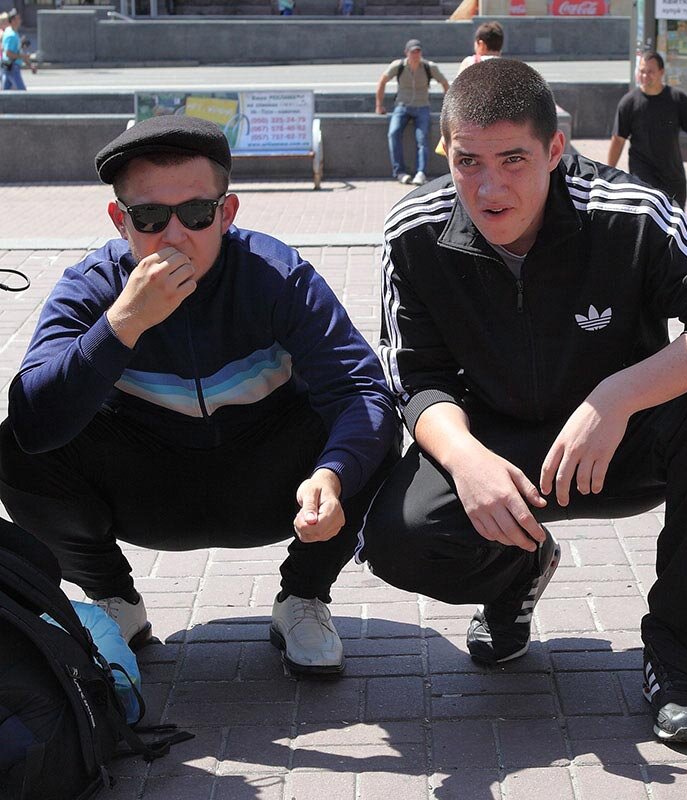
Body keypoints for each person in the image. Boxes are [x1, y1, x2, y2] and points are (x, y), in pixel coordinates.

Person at [359, 58, 687, 743]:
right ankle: (518, 573)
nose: (489, 187)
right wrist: (465, 460)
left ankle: (680, 657)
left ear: (555, 149)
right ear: (445, 151)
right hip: (501, 451)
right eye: (467, 162)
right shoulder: (415, 229)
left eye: (514, 160)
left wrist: (617, 396)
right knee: (397, 537)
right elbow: (414, 375)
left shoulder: (629, 212)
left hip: (622, 442)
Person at [0, 115, 397, 678]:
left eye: (196, 213)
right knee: (16, 445)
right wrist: (121, 325)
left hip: (269, 484)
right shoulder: (94, 285)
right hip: (149, 485)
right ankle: (114, 600)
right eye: (149, 217)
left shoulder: (274, 275)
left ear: (227, 213)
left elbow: (360, 389)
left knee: (373, 431)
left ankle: (304, 596)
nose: (173, 236)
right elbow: (34, 422)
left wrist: (333, 474)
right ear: (119, 220)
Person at [606, 51, 687, 211]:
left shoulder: (677, 99)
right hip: (642, 175)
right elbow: (618, 140)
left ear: (661, 72)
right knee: (648, 216)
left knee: (675, 220)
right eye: (642, 71)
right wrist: (608, 174)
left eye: (650, 72)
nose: (645, 76)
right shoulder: (628, 103)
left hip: (673, 176)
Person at [375, 39, 450, 186]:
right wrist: (379, 105)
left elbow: (445, 83)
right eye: (412, 52)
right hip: (402, 106)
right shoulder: (398, 66)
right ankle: (400, 172)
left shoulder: (429, 67)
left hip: (422, 107)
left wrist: (448, 107)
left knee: (422, 138)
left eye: (418, 51)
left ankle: (421, 173)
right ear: (406, 53)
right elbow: (382, 81)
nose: (415, 55)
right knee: (393, 133)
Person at [1, 10, 35, 92]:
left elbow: (15, 50)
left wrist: (29, 64)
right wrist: (23, 56)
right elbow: (8, 53)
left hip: (7, 66)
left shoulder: (10, 31)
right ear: (13, 21)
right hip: (12, 67)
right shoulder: (11, 35)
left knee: (6, 93)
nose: (20, 21)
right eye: (18, 19)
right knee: (21, 92)